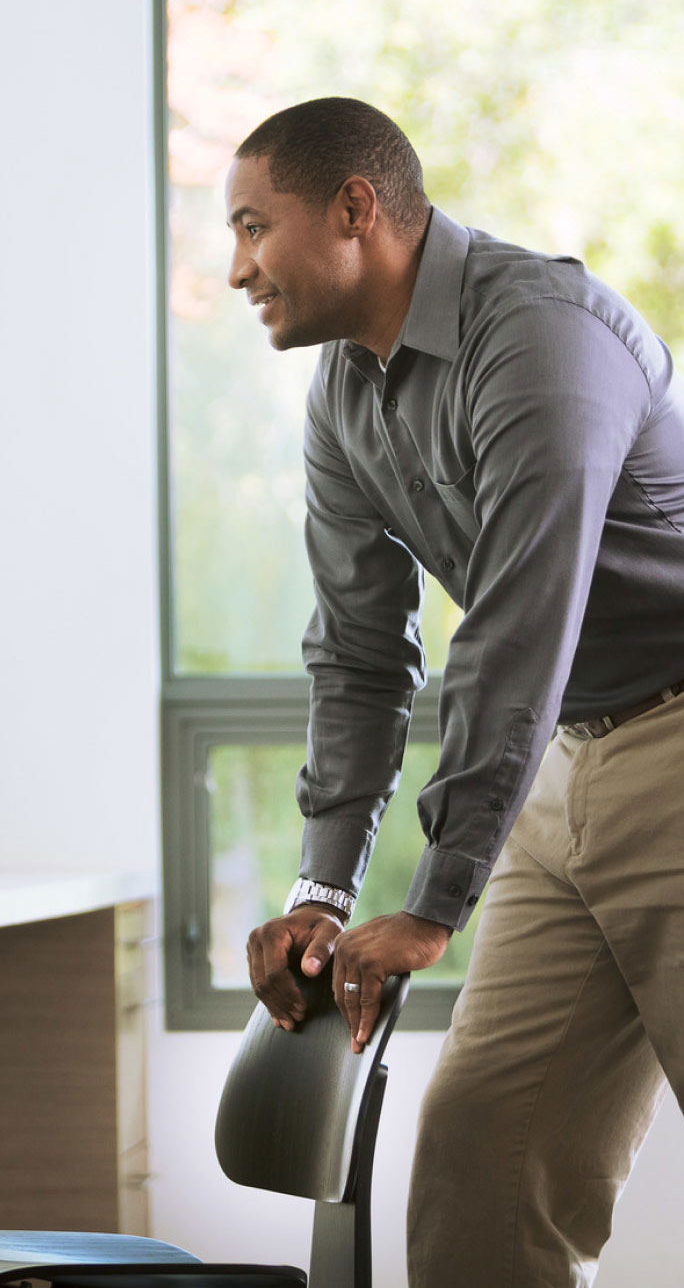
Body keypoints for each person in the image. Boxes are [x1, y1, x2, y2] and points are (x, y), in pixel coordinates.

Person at [232, 97, 684, 1288]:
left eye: (250, 227)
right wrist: (321, 889)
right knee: (484, 1160)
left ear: (353, 210)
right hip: (560, 769)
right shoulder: (342, 396)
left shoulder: (537, 334)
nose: (235, 268)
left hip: (675, 743)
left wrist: (433, 901)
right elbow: (359, 654)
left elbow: (516, 628)